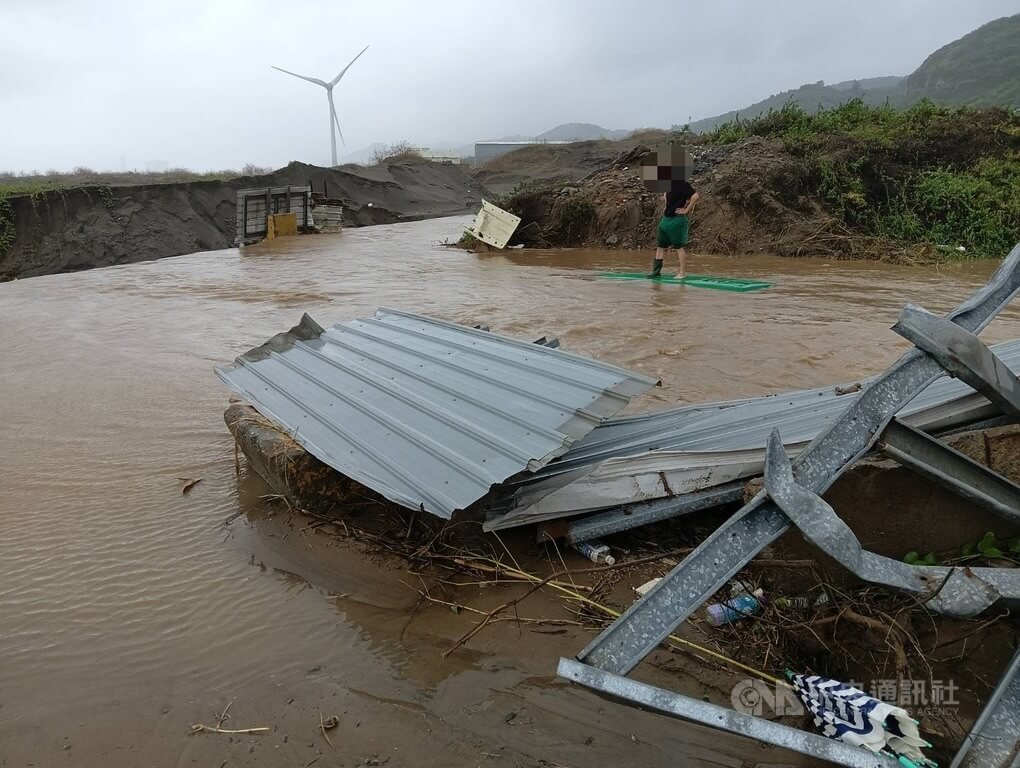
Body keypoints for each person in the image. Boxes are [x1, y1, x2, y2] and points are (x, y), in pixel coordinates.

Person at [649, 179, 699, 278]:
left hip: (678, 219)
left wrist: (685, 210)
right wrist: (666, 205)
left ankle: (682, 273)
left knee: (678, 246)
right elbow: (665, 194)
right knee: (661, 245)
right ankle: (656, 272)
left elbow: (695, 196)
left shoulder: (682, 183)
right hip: (666, 219)